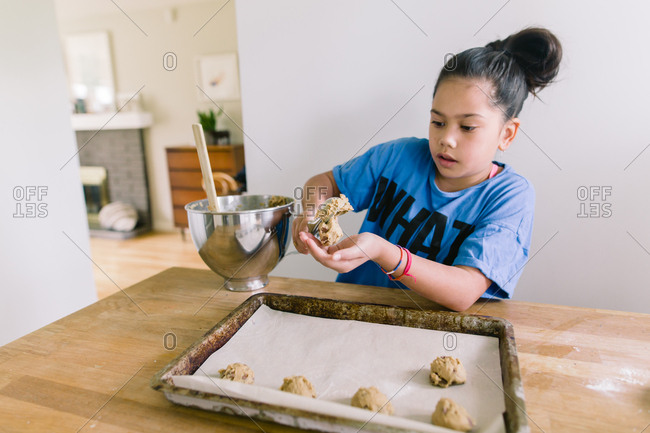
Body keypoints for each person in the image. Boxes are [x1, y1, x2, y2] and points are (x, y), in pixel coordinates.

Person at [292, 27, 562, 311]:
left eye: (467, 127)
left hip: (437, 334)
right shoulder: (398, 156)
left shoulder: (511, 196)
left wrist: (385, 253)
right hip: (354, 315)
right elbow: (324, 182)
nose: (447, 138)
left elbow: (464, 291)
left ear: (507, 134)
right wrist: (313, 210)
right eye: (438, 122)